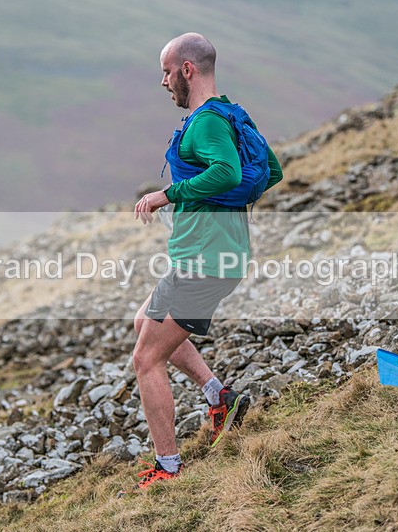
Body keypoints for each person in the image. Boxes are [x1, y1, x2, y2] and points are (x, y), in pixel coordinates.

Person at [123, 32, 283, 494]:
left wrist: (167, 194)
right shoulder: (231, 114)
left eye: (166, 72)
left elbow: (228, 172)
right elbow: (269, 170)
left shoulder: (209, 123)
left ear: (187, 70)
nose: (163, 81)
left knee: (146, 360)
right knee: (143, 322)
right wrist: (223, 206)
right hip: (219, 254)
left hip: (204, 260)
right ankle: (221, 398)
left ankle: (167, 468)